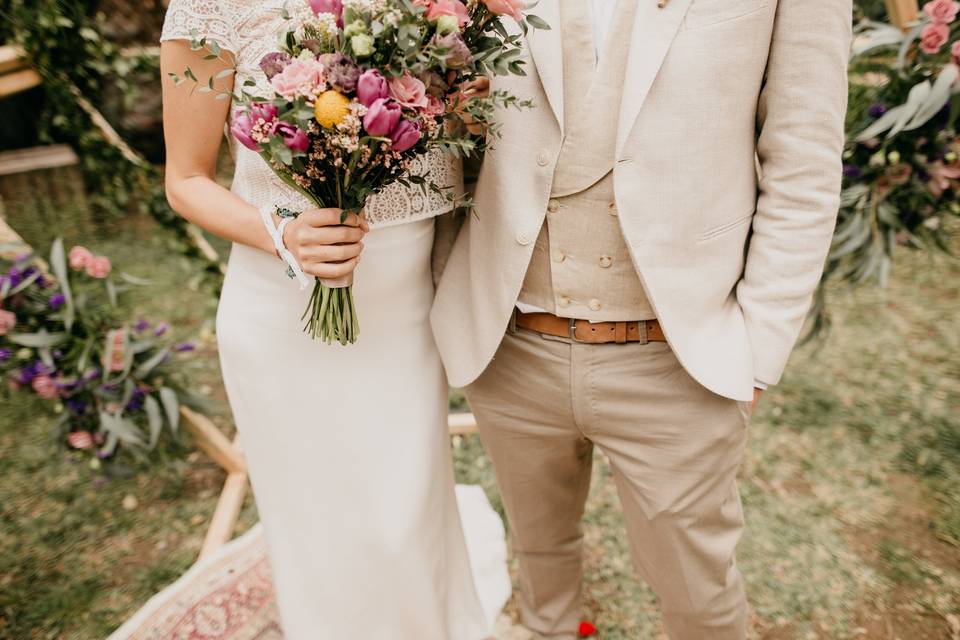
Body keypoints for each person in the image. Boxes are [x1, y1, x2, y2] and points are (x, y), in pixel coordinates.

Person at [431, 0, 852, 638]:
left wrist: (758, 348)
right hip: (511, 345)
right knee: (539, 556)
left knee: (698, 594)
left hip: (677, 358)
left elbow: (805, 163)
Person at [159, 1, 509, 638]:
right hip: (281, 311)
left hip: (405, 312)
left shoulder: (431, 7)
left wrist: (461, 109)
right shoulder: (212, 9)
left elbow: (461, 131)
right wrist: (283, 234)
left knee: (405, 515)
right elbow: (184, 179)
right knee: (314, 528)